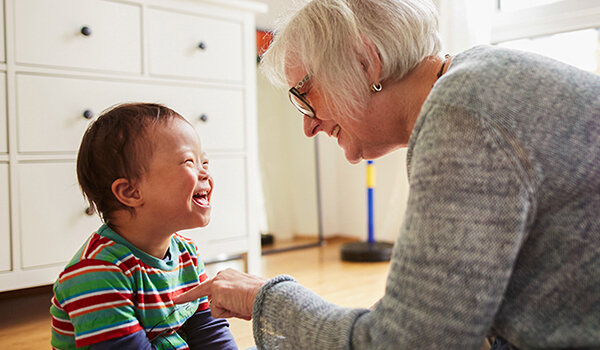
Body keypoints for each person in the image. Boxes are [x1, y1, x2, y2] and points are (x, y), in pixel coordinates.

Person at [175, 0, 600, 349]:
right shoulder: (475, 80)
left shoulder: (462, 116)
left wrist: (260, 297)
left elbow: (407, 344)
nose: (308, 125)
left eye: (304, 93)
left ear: (365, 62)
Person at [50, 103, 238, 350]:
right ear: (130, 191)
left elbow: (206, 328)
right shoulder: (97, 272)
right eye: (189, 162)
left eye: (204, 162)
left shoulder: (186, 253)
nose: (205, 173)